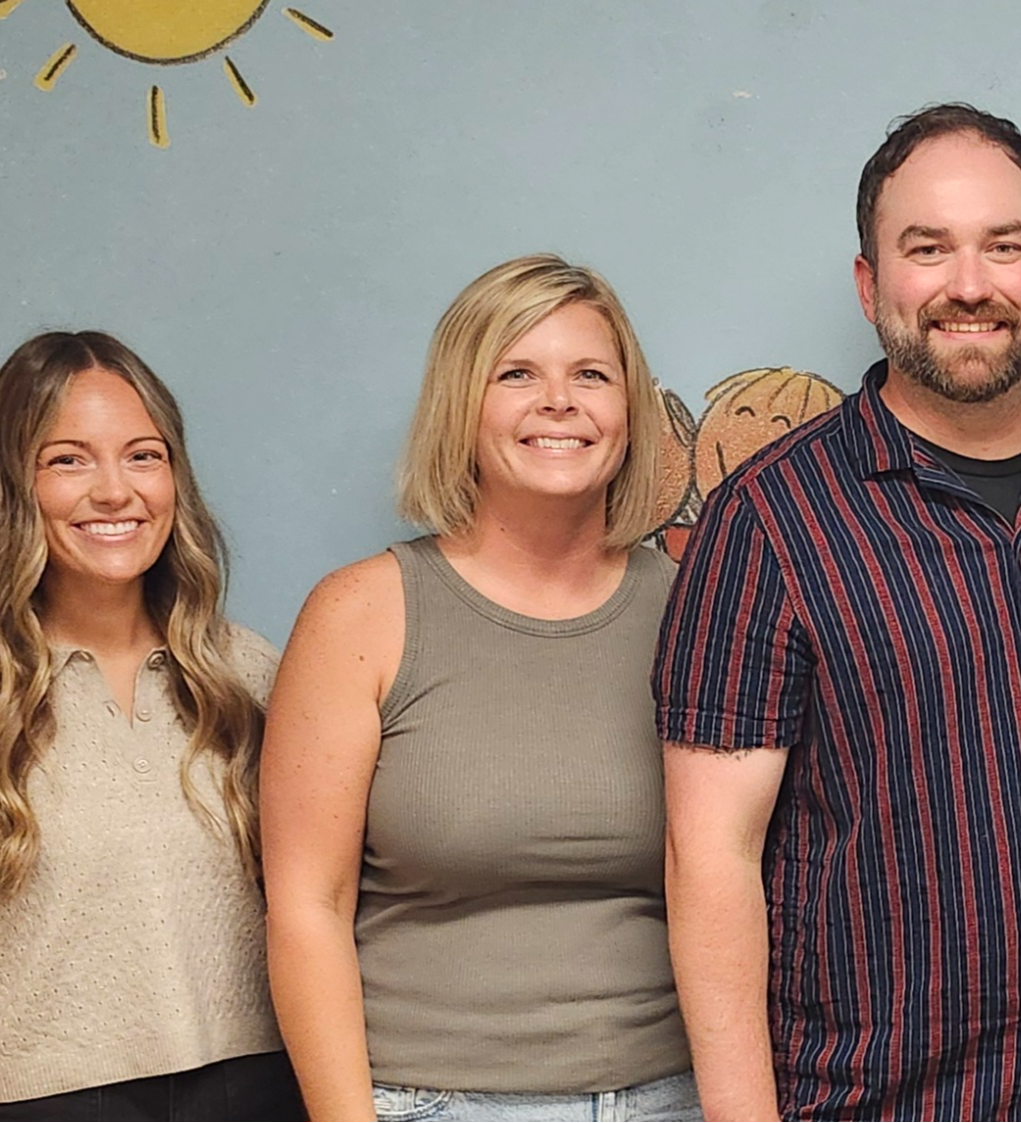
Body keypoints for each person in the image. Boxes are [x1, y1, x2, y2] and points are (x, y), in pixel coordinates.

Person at [656, 103, 1021, 1122]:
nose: (970, 284)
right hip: (880, 1102)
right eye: (929, 249)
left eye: (1003, 247)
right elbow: (711, 859)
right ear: (871, 284)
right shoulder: (771, 521)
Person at [262, 255, 697, 1122]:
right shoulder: (360, 614)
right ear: (462, 404)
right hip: (430, 1098)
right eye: (517, 373)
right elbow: (306, 905)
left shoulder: (695, 608)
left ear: (630, 409)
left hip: (670, 1095)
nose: (559, 401)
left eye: (590, 375)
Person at [0, 330, 297, 1121]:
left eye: (143, 455)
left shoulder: (248, 671)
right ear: (13, 484)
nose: (114, 490)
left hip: (256, 1087)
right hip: (39, 1101)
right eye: (68, 459)